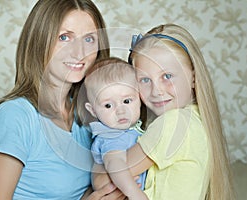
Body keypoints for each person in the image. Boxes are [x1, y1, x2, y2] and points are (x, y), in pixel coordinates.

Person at [0, 0, 125, 199]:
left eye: (89, 39)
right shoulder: (14, 116)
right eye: (64, 37)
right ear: (39, 41)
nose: (80, 53)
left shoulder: (91, 115)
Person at [93, 23, 235, 200]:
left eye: (167, 76)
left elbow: (103, 182)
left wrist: (98, 170)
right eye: (145, 79)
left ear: (193, 76)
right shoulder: (195, 119)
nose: (156, 91)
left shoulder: (174, 123)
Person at [79, 57, 148, 200]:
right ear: (92, 110)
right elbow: (115, 164)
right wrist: (135, 194)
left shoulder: (130, 130)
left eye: (127, 101)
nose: (120, 111)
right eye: (108, 105)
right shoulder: (111, 135)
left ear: (139, 97)